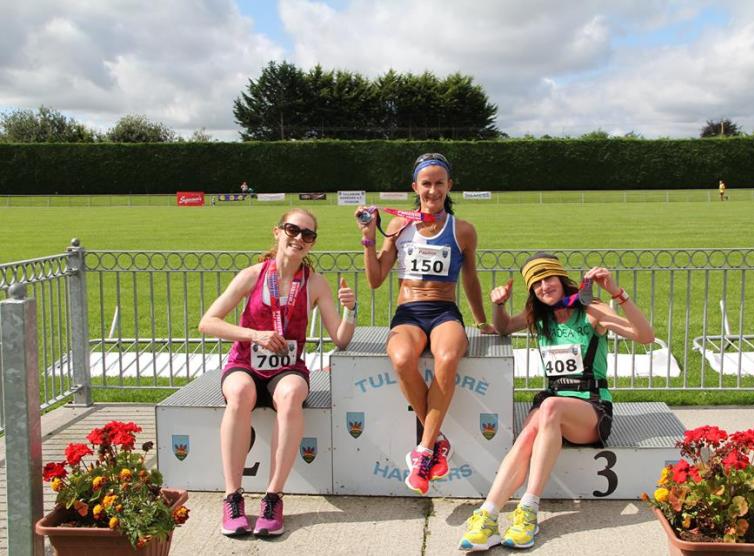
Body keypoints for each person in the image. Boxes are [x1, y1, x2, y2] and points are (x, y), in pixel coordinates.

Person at [458, 253, 654, 551]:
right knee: (528, 435)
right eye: (535, 284)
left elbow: (645, 336)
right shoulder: (540, 315)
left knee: (548, 407)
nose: (543, 287)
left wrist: (617, 292)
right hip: (554, 407)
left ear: (561, 279)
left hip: (591, 408)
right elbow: (504, 328)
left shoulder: (591, 309)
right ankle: (487, 515)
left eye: (548, 279)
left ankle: (528, 510)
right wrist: (498, 305)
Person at [198, 208, 357, 537]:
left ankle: (273, 498)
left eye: (307, 235)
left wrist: (350, 310)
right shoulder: (252, 275)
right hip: (245, 362)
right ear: (277, 232)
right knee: (240, 394)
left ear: (312, 244)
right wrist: (254, 335)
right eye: (293, 229)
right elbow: (207, 322)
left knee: (291, 395)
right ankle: (232, 497)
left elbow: (340, 339)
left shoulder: (314, 284)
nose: (299, 238)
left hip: (288, 368)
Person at [355, 152, 494, 496]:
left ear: (450, 186)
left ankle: (424, 450)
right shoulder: (398, 226)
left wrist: (480, 320)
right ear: (414, 186)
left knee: (447, 356)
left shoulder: (462, 230)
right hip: (409, 313)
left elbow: (472, 280)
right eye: (426, 184)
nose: (432, 191)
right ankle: (437, 442)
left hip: (445, 310)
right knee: (402, 358)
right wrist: (368, 238)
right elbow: (375, 280)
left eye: (439, 183)